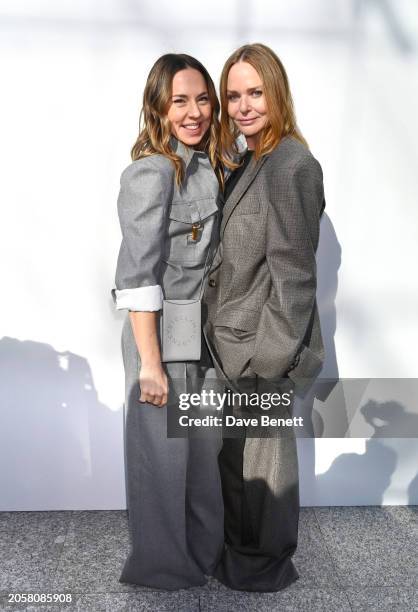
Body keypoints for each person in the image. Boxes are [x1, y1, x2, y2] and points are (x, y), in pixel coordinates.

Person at [203, 43, 326, 591]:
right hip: (231, 348)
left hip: (259, 352)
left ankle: (263, 570)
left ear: (277, 92)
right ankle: (240, 559)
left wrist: (266, 364)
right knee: (237, 468)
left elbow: (295, 276)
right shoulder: (251, 157)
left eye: (255, 92)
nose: (243, 105)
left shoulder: (291, 166)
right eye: (233, 95)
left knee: (262, 475)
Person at [112, 53, 225, 590]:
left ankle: (204, 554)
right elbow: (135, 278)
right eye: (180, 100)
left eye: (203, 98)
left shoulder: (209, 163)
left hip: (201, 336)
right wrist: (150, 366)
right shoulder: (150, 173)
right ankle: (162, 569)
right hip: (159, 339)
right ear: (158, 106)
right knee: (162, 462)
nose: (195, 111)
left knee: (203, 457)